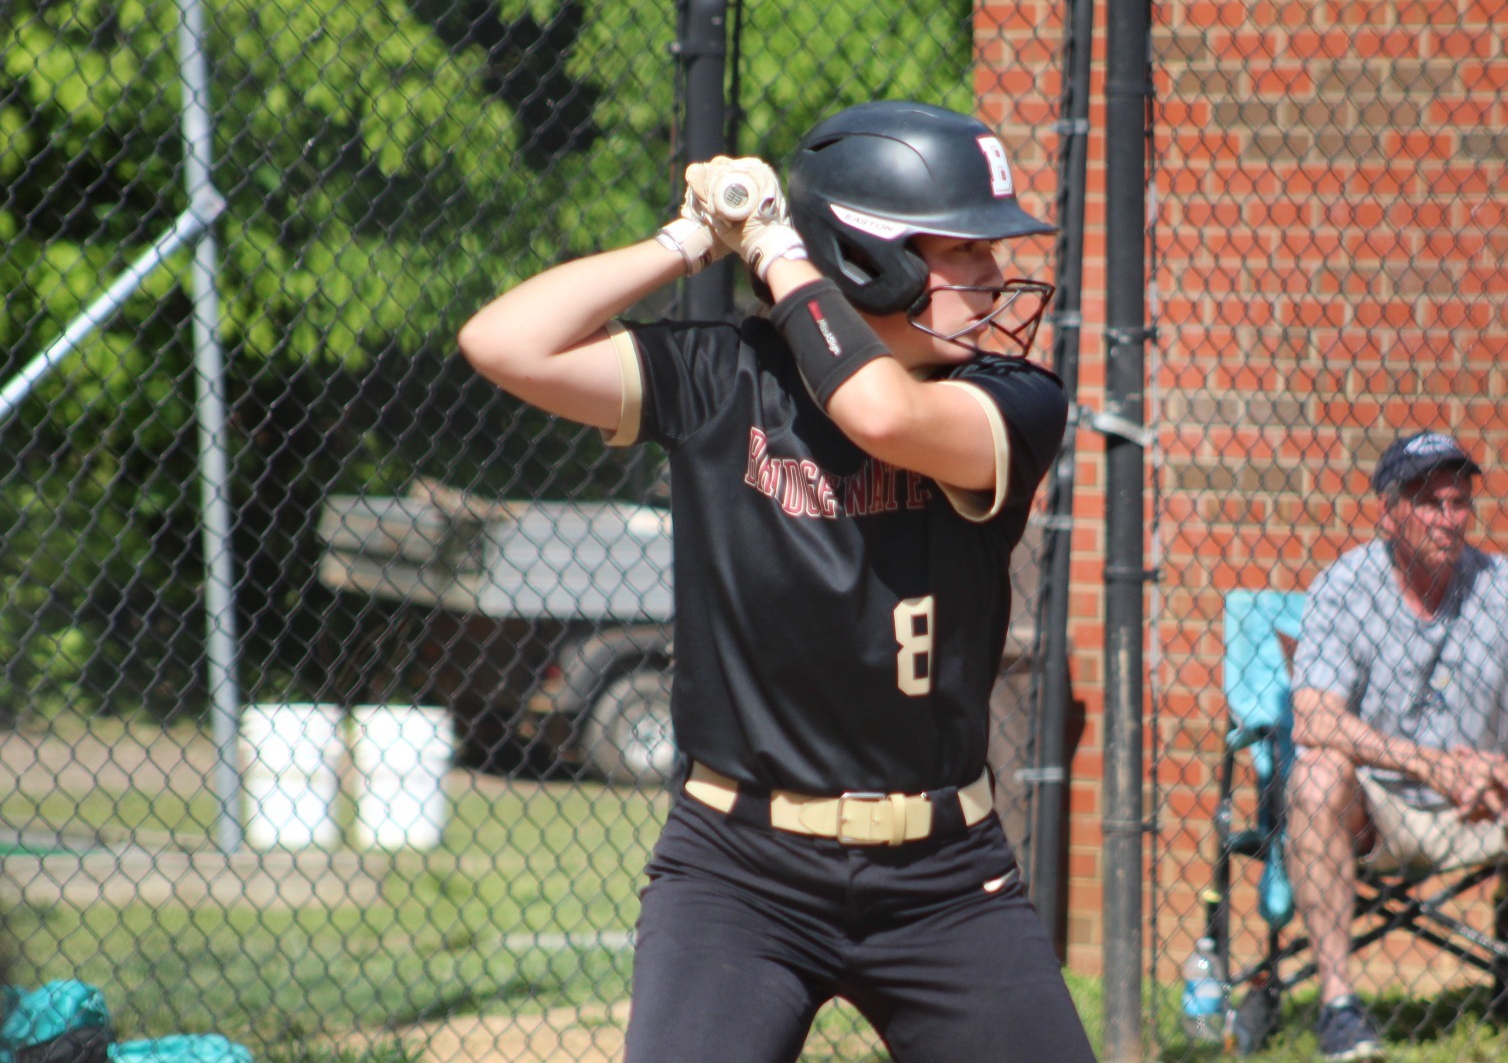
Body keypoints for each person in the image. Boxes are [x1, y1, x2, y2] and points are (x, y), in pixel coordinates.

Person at [457, 100, 1093, 1063]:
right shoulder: (728, 377)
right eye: (963, 252)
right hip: (738, 868)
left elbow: (875, 413)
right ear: (874, 260)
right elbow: (504, 345)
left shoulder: (1013, 400)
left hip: (942, 873)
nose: (996, 278)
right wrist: (689, 239)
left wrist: (774, 248)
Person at [1286, 431, 1508, 1063]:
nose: (1447, 518)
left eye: (1458, 502)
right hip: (1383, 814)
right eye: (1428, 502)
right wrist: (1425, 763)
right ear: (1388, 513)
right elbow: (1311, 717)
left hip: (1494, 800)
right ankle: (1339, 1010)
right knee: (1315, 777)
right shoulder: (1344, 585)